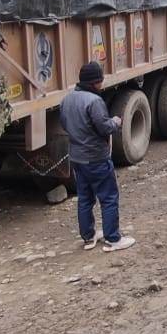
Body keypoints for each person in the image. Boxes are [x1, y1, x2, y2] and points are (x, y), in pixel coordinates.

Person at [60, 62, 136, 252]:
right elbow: (104, 127)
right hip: (96, 158)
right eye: (101, 80)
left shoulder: (67, 100)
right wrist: (116, 122)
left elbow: (64, 124)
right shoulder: (94, 101)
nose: (102, 83)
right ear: (95, 82)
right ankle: (113, 239)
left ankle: (89, 238)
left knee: (85, 198)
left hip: (77, 158)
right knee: (109, 197)